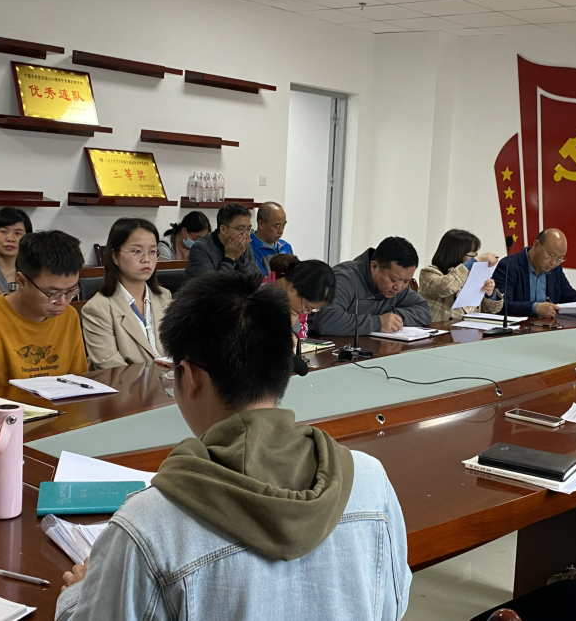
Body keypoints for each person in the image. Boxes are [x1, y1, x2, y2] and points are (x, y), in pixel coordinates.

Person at [55, 272, 411, 621]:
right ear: (287, 359)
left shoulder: (148, 524)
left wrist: (79, 593)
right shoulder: (368, 479)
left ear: (190, 378)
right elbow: (392, 605)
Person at [0, 230, 86, 394]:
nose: (63, 302)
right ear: (21, 281)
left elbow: (78, 382)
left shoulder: (68, 316)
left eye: (71, 292)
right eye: (53, 293)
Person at [81, 219, 173, 370]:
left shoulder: (165, 297)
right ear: (114, 256)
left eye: (152, 251)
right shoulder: (98, 308)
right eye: (137, 251)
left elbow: (179, 348)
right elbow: (111, 367)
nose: (146, 259)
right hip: (128, 383)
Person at [312, 237, 431, 336]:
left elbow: (424, 310)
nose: (399, 287)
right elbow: (326, 321)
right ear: (374, 267)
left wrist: (393, 319)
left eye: (406, 281)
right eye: (393, 279)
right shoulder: (344, 278)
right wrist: (378, 322)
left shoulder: (398, 287)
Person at [492, 229, 576, 319]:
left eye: (560, 259)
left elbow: (567, 295)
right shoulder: (509, 266)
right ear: (536, 245)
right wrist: (535, 308)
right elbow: (501, 305)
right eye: (551, 256)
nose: (553, 263)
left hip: (546, 328)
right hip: (517, 330)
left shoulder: (555, 269)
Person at [418, 229, 503, 323]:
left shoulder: (473, 276)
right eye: (472, 257)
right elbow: (446, 287)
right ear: (456, 254)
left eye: (476, 256)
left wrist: (490, 294)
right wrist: (472, 263)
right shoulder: (429, 272)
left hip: (470, 328)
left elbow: (492, 310)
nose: (475, 260)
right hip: (439, 329)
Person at [265, 253, 336, 344]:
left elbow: (301, 340)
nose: (307, 312)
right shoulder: (258, 298)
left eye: (312, 310)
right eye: (307, 307)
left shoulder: (297, 303)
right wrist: (286, 325)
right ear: (293, 288)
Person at [184, 203, 260, 279]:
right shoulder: (200, 248)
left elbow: (258, 280)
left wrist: (241, 257)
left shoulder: (244, 247)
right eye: (240, 229)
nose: (246, 235)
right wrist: (230, 257)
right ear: (223, 229)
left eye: (248, 229)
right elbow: (212, 285)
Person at [250, 202, 293, 274]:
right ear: (261, 224)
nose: (281, 231)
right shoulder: (249, 248)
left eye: (283, 225)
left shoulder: (285, 246)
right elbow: (261, 279)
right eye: (277, 225)